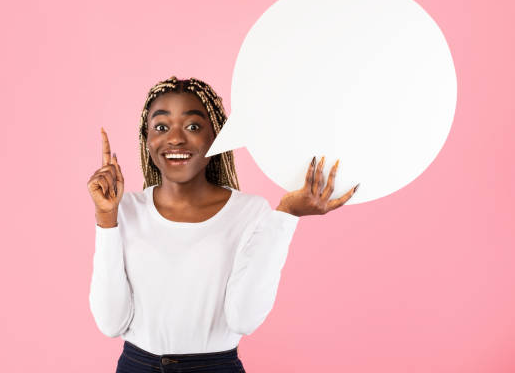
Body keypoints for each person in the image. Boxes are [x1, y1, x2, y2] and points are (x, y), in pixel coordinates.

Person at [87, 76, 359, 372]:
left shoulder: (249, 211)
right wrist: (106, 220)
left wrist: (286, 215)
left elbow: (244, 319)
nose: (175, 138)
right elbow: (111, 323)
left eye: (193, 126)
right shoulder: (125, 209)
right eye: (161, 127)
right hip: (136, 365)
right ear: (147, 138)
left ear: (216, 135)